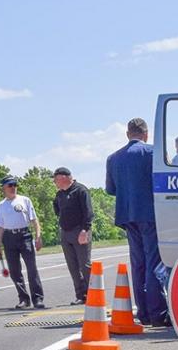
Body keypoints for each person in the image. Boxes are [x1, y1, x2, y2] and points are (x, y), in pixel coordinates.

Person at [105, 118, 169, 326]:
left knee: (137, 263)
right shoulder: (152, 152)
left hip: (127, 215)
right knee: (153, 262)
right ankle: (156, 312)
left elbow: (111, 190)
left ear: (127, 134)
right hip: (150, 214)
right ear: (146, 134)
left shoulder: (113, 158)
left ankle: (143, 312)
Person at [0, 175, 45, 309]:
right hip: (9, 238)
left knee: (32, 268)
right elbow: (0, 227)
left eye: (15, 185)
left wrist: (38, 236)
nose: (13, 188)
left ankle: (38, 298)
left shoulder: (25, 200)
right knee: (15, 271)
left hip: (25, 235)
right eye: (10, 185)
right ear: (4, 188)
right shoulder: (1, 205)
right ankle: (24, 299)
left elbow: (34, 220)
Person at [51, 167, 93, 305]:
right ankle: (81, 295)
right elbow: (57, 210)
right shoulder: (59, 195)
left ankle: (94, 293)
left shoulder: (80, 190)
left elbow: (88, 212)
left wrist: (84, 230)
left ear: (63, 178)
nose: (54, 183)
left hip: (80, 231)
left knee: (85, 264)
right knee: (72, 266)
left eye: (55, 180)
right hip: (66, 233)